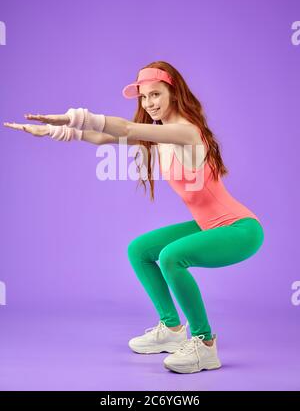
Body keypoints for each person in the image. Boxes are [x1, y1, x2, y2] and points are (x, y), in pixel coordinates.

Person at [3, 61, 264, 374]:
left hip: (241, 229)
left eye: (156, 94)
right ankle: (171, 328)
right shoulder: (161, 135)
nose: (149, 103)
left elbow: (125, 129)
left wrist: (74, 115)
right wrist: (53, 130)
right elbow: (104, 138)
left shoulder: (185, 131)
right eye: (143, 97)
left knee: (171, 257)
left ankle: (205, 344)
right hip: (211, 224)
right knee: (139, 250)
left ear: (174, 93)